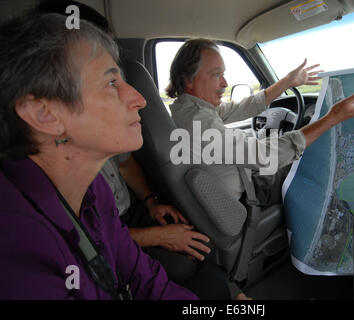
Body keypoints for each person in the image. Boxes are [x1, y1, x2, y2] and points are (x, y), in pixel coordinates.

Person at [0, 12, 229, 300]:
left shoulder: (93, 190)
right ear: (44, 114)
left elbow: (143, 276)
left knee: (218, 288)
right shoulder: (17, 255)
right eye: (111, 83)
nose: (140, 99)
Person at [167, 38, 354, 206]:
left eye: (223, 74)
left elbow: (244, 107)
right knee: (311, 167)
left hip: (240, 180)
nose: (224, 83)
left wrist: (287, 81)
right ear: (188, 80)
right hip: (247, 194)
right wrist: (332, 117)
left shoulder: (189, 109)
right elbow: (265, 156)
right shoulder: (198, 120)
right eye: (216, 75)